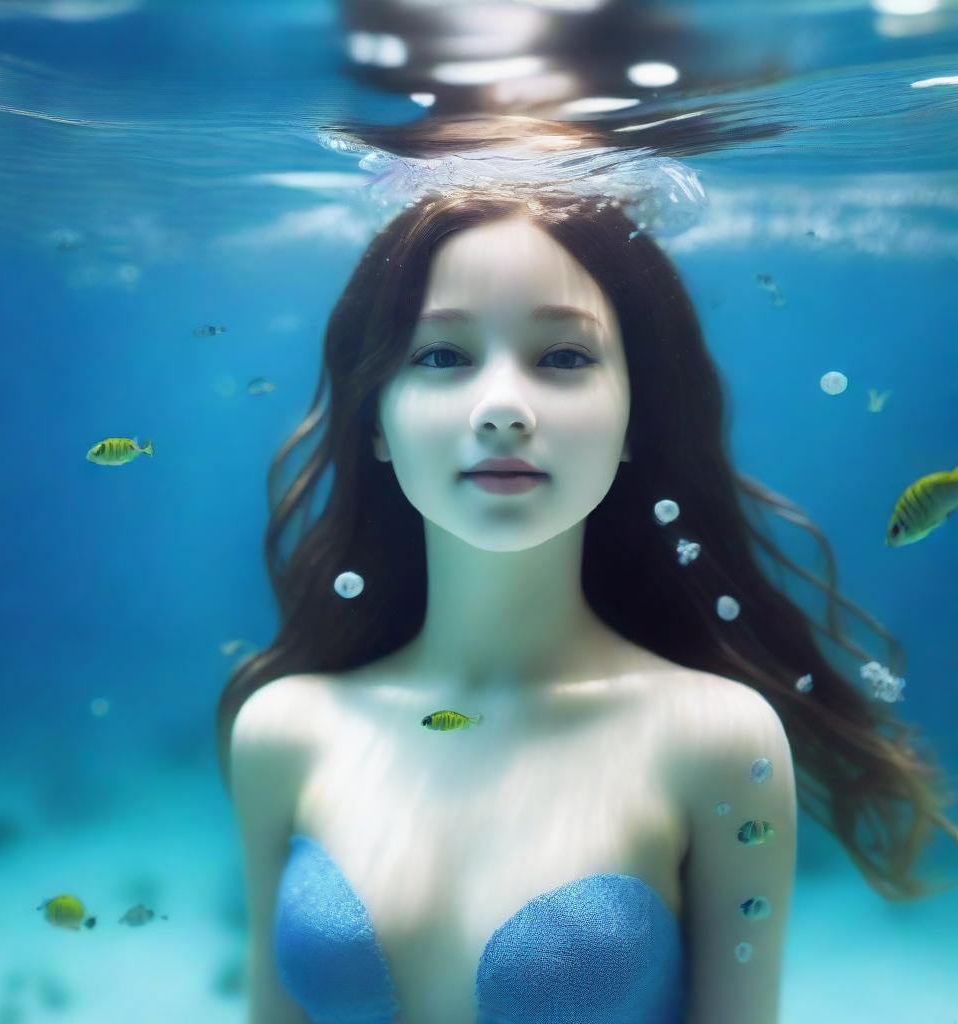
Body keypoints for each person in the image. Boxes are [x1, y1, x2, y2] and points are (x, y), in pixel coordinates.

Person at [216, 170, 958, 1024]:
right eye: (442, 355)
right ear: (374, 418)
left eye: (564, 356)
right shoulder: (283, 732)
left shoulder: (720, 740)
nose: (501, 408)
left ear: (636, 413)